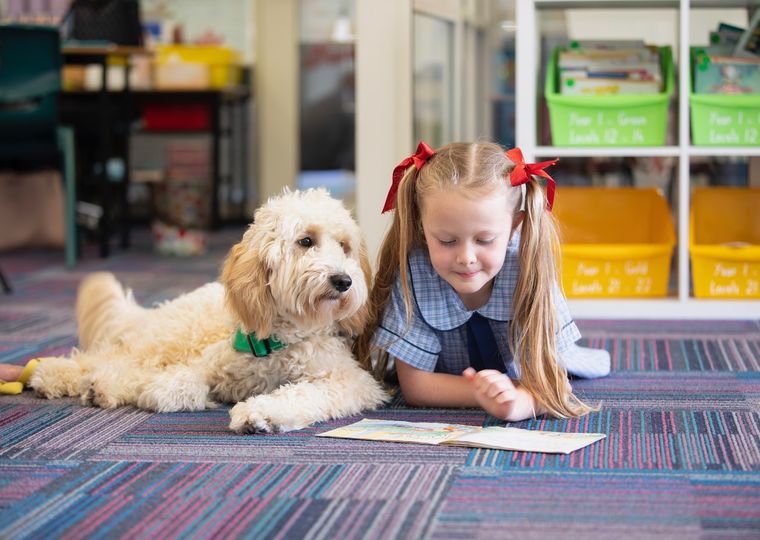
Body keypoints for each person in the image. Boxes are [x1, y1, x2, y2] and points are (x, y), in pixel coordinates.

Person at [353, 141, 610, 422]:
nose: (466, 257)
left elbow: (555, 385)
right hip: (464, 378)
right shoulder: (414, 270)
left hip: (527, 373)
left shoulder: (528, 264)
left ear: (514, 227)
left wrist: (520, 402)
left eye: (484, 240)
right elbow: (416, 386)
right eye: (447, 240)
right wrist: (482, 393)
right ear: (421, 227)